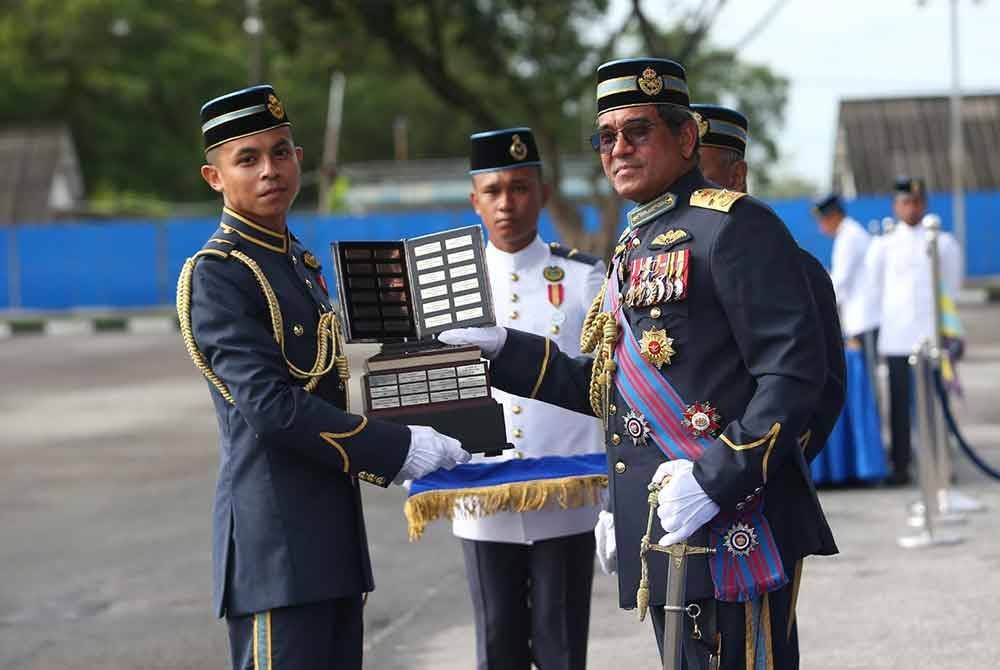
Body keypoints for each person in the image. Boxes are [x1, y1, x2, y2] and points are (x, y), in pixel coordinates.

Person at [442, 58, 837, 669]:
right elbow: (610, 389)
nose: (618, 148)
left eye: (638, 132)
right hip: (665, 526)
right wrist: (504, 350)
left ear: (685, 139)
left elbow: (792, 375)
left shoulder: (731, 228)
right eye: (606, 137)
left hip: (732, 517)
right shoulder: (633, 245)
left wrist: (716, 479)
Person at [175, 84, 469, 670]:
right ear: (214, 178)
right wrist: (398, 446)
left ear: (300, 158)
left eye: (281, 152)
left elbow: (337, 380)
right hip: (275, 549)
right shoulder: (220, 275)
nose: (269, 171)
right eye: (248, 159)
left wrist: (432, 373)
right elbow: (273, 410)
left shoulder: (296, 263)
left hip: (329, 539)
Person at [453, 127, 605, 670]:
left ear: (541, 193)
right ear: (475, 200)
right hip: (480, 493)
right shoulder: (453, 287)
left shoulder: (587, 278)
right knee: (497, 646)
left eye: (519, 188)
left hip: (565, 496)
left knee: (562, 648)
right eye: (492, 191)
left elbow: (607, 382)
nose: (506, 203)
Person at [689, 104, 846, 465]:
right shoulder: (659, 263)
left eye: (699, 176)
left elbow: (823, 391)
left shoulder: (793, 265)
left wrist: (760, 467)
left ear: (736, 176)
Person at [866, 177, 963, 486]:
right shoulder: (883, 245)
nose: (912, 207)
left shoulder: (942, 242)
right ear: (896, 206)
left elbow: (952, 289)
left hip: (932, 337)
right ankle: (901, 466)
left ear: (924, 204)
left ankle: (940, 463)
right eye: (906, 202)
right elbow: (874, 290)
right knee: (899, 407)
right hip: (897, 337)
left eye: (917, 202)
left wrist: (949, 332)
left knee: (936, 405)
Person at [812, 194, 880, 357]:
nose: (820, 227)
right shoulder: (849, 233)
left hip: (865, 318)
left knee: (869, 374)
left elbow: (839, 282)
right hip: (862, 316)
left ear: (834, 216)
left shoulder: (848, 237)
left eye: (822, 220)